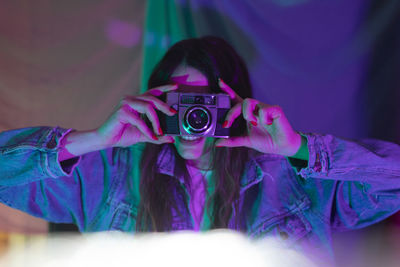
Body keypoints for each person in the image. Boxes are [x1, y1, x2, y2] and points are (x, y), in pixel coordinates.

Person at [1, 36, 400, 265]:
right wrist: (94, 139)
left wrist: (299, 150)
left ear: (234, 103)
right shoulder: (107, 174)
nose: (192, 118)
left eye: (204, 104)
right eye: (178, 102)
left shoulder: (292, 178)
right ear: (153, 100)